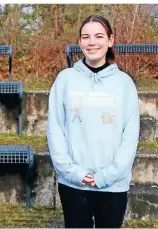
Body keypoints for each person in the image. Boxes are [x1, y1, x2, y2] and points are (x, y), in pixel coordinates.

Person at [47, 15, 140, 228]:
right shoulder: (65, 80)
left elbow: (130, 135)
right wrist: (74, 173)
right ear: (80, 42)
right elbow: (55, 130)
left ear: (110, 40)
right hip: (73, 184)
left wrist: (106, 176)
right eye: (85, 37)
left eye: (99, 36)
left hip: (112, 186)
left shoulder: (125, 84)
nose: (92, 42)